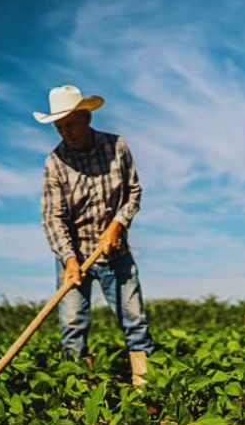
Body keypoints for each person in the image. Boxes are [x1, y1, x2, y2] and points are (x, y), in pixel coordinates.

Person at [35, 84, 156, 386]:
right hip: (74, 257)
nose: (67, 133)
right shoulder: (54, 163)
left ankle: (147, 387)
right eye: (60, 128)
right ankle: (78, 393)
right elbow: (53, 218)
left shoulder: (117, 147)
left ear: (86, 118)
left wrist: (118, 224)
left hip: (116, 255)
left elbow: (133, 192)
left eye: (71, 125)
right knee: (73, 324)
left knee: (134, 320)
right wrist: (68, 259)